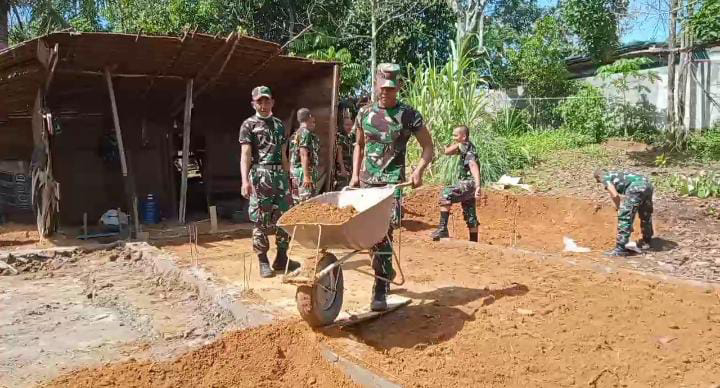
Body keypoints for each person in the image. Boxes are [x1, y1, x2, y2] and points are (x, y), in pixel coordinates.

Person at [350, 63, 435, 311]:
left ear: (399, 87)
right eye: (382, 86)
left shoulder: (409, 115)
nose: (385, 92)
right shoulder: (364, 113)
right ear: (376, 84)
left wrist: (418, 171)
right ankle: (384, 272)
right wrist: (355, 175)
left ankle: (380, 286)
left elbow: (428, 147)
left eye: (390, 87)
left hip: (392, 183)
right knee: (369, 234)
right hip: (367, 182)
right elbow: (359, 145)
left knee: (382, 233)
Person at [239, 86, 300, 278]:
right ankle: (263, 261)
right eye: (259, 101)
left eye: (266, 101)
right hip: (260, 175)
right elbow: (246, 155)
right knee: (260, 219)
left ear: (272, 102)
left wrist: (289, 177)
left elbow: (283, 154)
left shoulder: (279, 125)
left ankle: (282, 257)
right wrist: (244, 181)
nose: (263, 105)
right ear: (253, 104)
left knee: (285, 217)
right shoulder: (248, 125)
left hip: (279, 176)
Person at [431, 125, 482, 242]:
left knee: (446, 193)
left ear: (463, 136)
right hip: (470, 184)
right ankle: (474, 242)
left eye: (455, 135)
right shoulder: (465, 146)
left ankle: (443, 229)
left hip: (469, 182)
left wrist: (478, 185)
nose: (453, 137)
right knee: (470, 212)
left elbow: (473, 165)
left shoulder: (466, 147)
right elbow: (447, 152)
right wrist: (457, 143)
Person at [594, 169, 654, 256]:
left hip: (636, 188)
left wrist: (619, 208)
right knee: (645, 214)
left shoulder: (605, 177)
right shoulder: (616, 174)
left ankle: (620, 249)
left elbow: (615, 195)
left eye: (598, 181)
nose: (601, 183)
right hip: (648, 185)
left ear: (598, 177)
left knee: (624, 216)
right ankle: (647, 240)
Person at [289, 108, 320, 203]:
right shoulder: (305, 133)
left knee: (297, 201)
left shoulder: (295, 134)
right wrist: (307, 176)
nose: (314, 124)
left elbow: (291, 155)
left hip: (296, 173)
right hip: (304, 173)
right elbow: (303, 154)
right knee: (307, 203)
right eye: (313, 121)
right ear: (309, 117)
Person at [334, 109, 355, 190]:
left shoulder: (350, 137)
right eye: (347, 125)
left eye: (351, 125)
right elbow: (339, 153)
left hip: (349, 167)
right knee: (341, 187)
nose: (349, 127)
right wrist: (342, 168)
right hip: (342, 167)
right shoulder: (340, 137)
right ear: (342, 125)